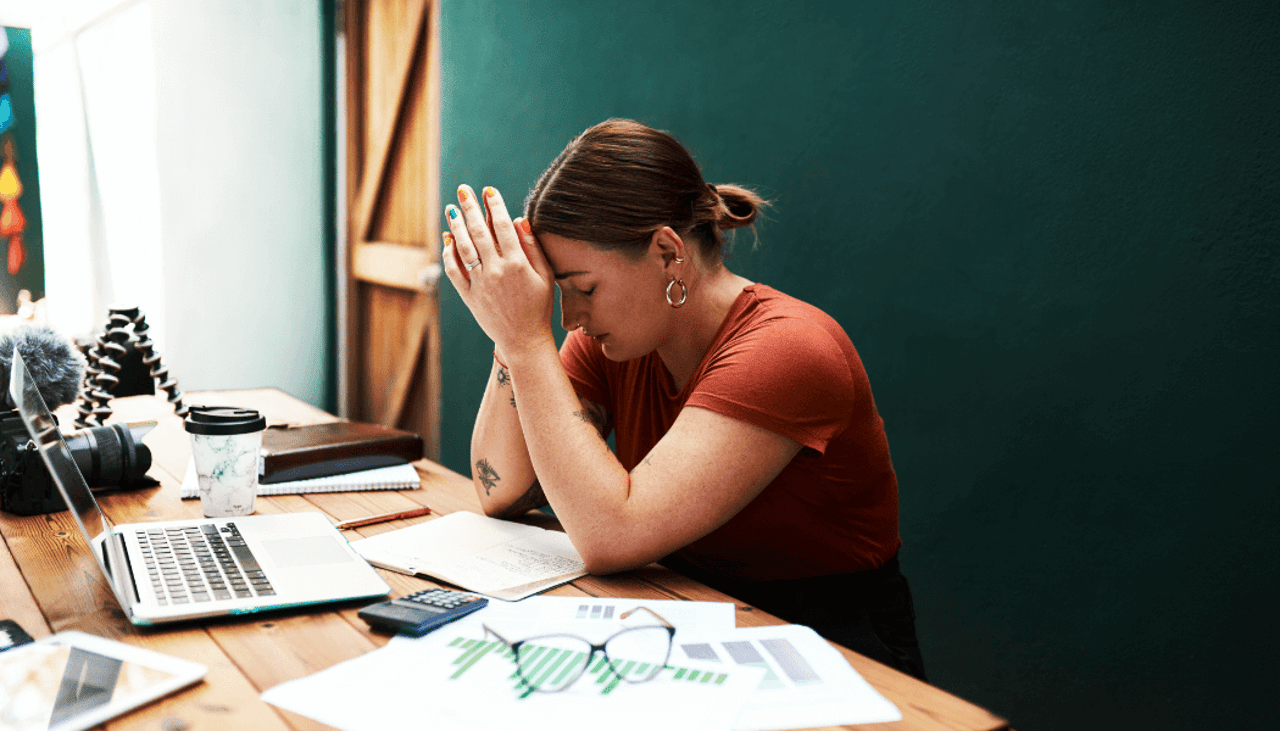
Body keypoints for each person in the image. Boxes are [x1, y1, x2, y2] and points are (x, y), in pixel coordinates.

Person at [440, 118, 926, 680]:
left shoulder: (789, 348)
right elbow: (501, 489)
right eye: (558, 293)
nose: (569, 318)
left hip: (829, 651)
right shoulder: (618, 339)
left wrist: (527, 341)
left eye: (585, 288)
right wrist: (509, 334)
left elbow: (612, 536)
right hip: (684, 615)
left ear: (668, 253)